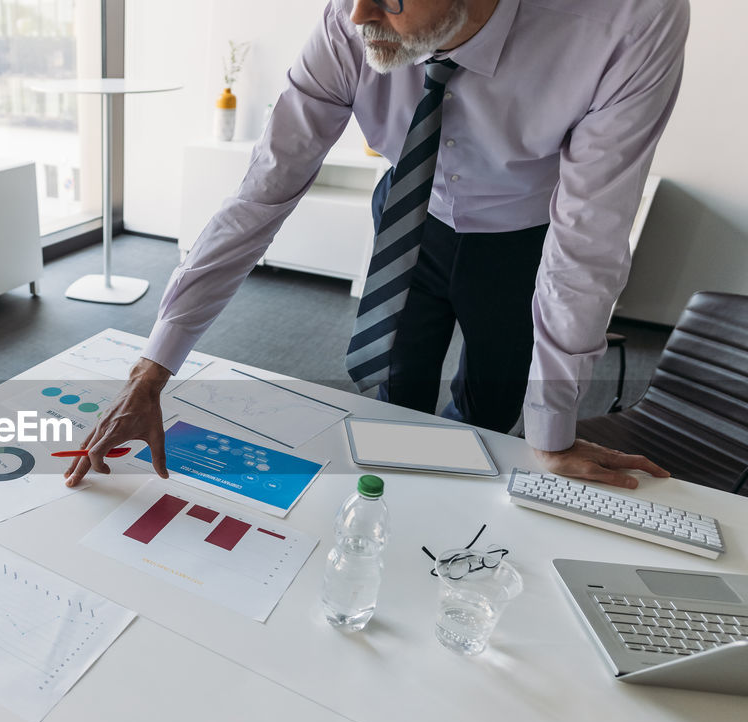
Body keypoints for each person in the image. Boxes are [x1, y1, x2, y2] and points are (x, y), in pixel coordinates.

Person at [65, 0, 686, 490]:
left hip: (525, 235)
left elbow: (589, 235)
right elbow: (261, 194)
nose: (358, 15)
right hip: (408, 211)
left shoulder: (628, 21)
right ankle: (394, 498)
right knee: (396, 378)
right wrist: (152, 370)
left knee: (491, 399)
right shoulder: (349, 18)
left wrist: (553, 432)